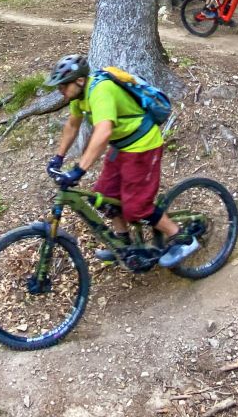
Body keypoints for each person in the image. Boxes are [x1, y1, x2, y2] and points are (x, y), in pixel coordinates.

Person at [42, 53, 199, 268]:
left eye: (63, 86)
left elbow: (104, 131)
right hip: (121, 146)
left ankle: (182, 238)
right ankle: (123, 244)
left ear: (79, 80)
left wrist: (79, 170)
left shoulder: (100, 91)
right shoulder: (78, 97)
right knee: (104, 197)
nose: (60, 91)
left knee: (136, 207)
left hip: (142, 145)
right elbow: (72, 125)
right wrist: (57, 158)